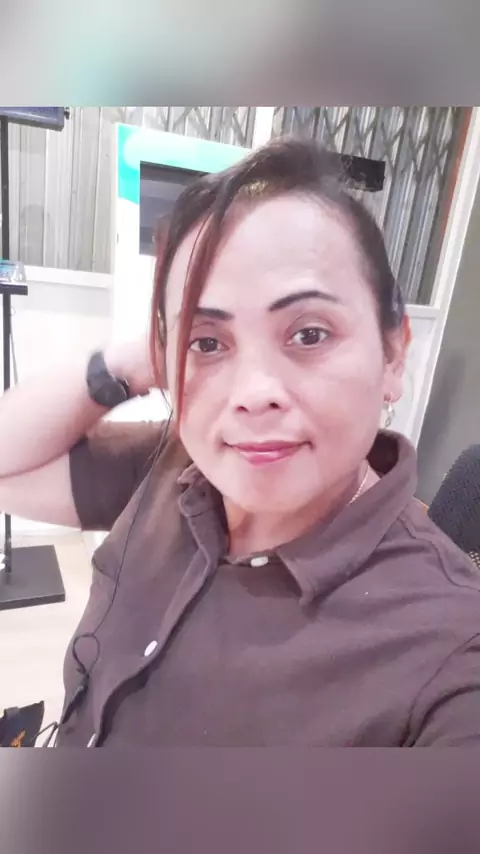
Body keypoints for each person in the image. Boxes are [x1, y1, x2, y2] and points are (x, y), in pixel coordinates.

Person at [1, 137, 480, 747]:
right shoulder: (176, 465)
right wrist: (126, 362)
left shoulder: (450, 653)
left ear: (392, 355)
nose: (254, 394)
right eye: (208, 343)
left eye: (309, 334)